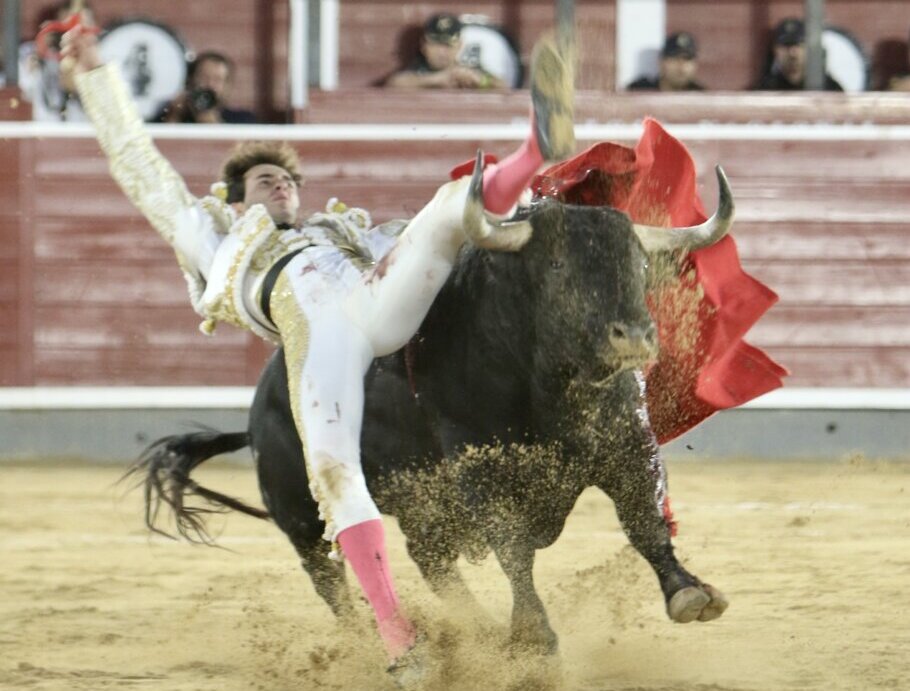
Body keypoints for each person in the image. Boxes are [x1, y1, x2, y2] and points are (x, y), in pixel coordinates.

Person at [61, 23, 573, 682]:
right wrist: (96, 76)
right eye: (264, 180)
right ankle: (398, 636)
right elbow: (137, 162)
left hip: (371, 296)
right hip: (314, 334)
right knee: (336, 475)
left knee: (450, 205)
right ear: (233, 199)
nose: (279, 186)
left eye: (285, 181)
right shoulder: (212, 235)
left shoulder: (340, 228)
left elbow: (411, 245)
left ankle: (537, 148)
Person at [18, 0, 96, 121]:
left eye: (82, 29)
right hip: (45, 128)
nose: (74, 35)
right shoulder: (34, 56)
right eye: (66, 28)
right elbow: (17, 95)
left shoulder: (103, 62)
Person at [385, 12, 506, 89]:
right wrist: (438, 79)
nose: (442, 52)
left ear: (459, 46)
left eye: (448, 46)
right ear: (424, 46)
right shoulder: (419, 69)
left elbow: (503, 86)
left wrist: (480, 81)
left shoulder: (466, 69)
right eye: (436, 45)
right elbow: (394, 83)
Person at [151, 50, 256, 123]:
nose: (209, 84)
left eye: (217, 79)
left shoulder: (243, 120)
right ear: (191, 80)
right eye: (204, 77)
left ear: (227, 86)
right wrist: (174, 115)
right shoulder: (170, 113)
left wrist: (214, 125)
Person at [753, 17, 843, 91]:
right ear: (775, 51)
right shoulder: (765, 92)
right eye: (786, 45)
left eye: (799, 45)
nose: (793, 53)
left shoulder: (831, 91)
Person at [627, 31, 705, 91]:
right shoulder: (641, 90)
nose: (681, 66)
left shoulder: (702, 97)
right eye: (675, 58)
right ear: (661, 61)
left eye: (687, 59)